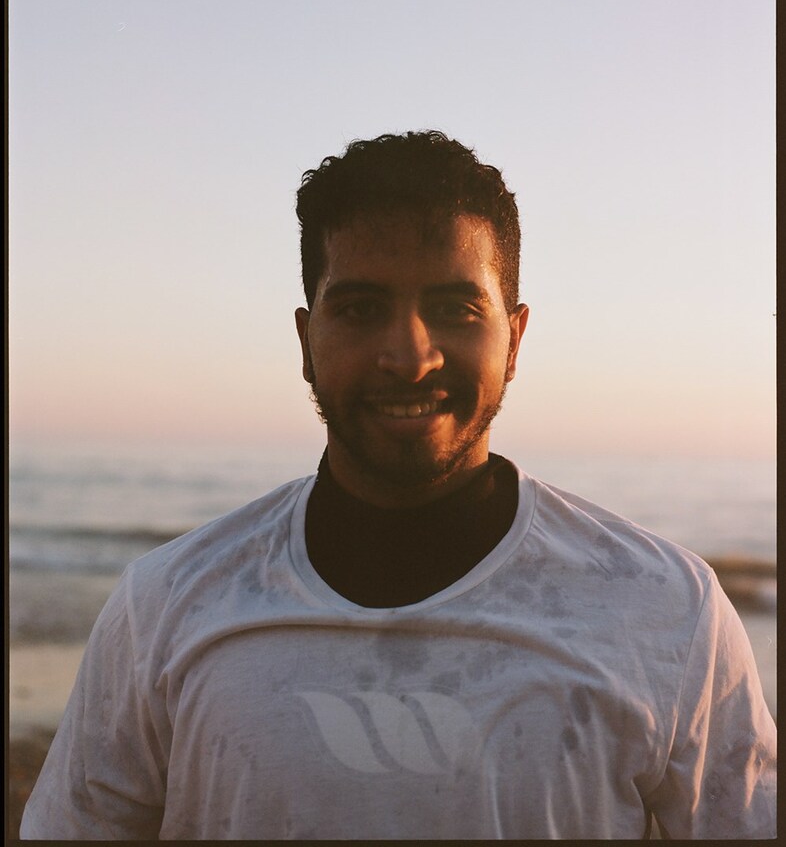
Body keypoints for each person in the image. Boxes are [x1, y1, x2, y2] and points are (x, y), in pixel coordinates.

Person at [21, 131, 775, 839]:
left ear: (513, 339)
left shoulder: (663, 610)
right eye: (360, 308)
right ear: (306, 340)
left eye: (454, 308)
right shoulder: (169, 603)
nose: (409, 356)